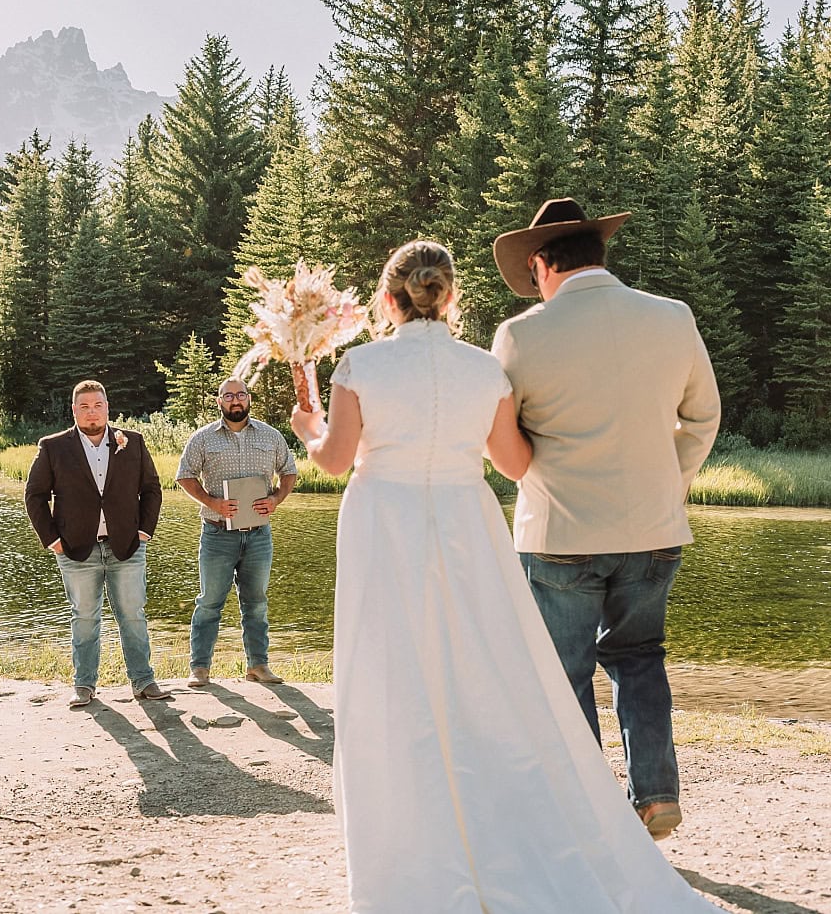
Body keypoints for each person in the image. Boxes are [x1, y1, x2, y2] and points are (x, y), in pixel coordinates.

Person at [292, 240, 719, 912]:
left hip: (385, 521)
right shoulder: (483, 369)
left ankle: (407, 830)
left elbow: (337, 461)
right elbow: (517, 465)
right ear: (450, 295)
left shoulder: (360, 365)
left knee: (390, 670)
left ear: (390, 296)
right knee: (480, 669)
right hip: (466, 521)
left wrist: (309, 426)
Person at [490, 199, 721, 840]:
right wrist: (664, 484)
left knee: (564, 671)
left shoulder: (520, 334)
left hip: (560, 535)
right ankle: (654, 793)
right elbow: (703, 418)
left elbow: (508, 449)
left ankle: (588, 809)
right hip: (654, 530)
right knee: (640, 657)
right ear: (599, 254)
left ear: (540, 265)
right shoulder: (672, 318)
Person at [23, 380, 170, 708]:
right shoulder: (53, 446)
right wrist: (52, 540)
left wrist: (144, 531)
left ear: (107, 407)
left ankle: (144, 681)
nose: (92, 412)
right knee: (85, 617)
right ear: (74, 410)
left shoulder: (131, 442)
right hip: (76, 548)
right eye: (85, 407)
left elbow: (151, 488)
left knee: (133, 614)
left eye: (98, 405)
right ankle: (84, 685)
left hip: (127, 546)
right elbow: (34, 495)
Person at [176, 377, 299, 687]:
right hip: (217, 534)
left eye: (240, 394)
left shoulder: (271, 436)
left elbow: (289, 472)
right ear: (219, 401)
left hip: (258, 535)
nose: (235, 400)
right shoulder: (203, 438)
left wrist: (275, 499)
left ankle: (258, 665)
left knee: (256, 603)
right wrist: (212, 502)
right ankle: (200, 668)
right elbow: (185, 476)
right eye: (228, 395)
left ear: (249, 399)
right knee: (209, 603)